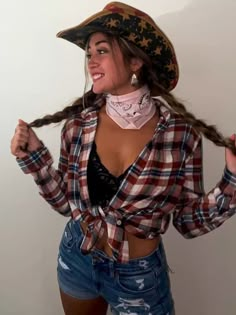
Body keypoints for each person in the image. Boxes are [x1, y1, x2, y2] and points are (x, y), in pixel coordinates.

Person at [10, 2, 236, 315]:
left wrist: (232, 180)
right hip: (78, 257)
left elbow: (187, 221)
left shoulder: (179, 134)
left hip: (139, 277)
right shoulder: (78, 126)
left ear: (135, 62)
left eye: (101, 50)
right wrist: (34, 158)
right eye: (88, 53)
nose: (91, 62)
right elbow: (66, 204)